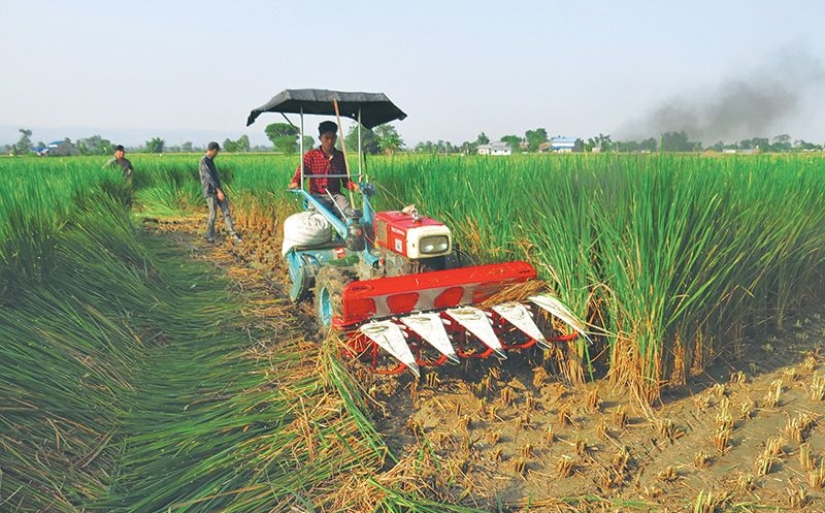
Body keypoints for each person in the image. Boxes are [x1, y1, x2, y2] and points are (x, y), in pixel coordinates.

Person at [289, 120, 359, 217]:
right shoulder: (311, 156)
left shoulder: (340, 156)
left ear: (336, 138)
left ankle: (343, 232)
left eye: (333, 138)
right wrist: (296, 183)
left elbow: (346, 180)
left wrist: (355, 187)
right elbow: (299, 175)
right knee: (320, 219)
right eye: (327, 138)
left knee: (349, 214)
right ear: (320, 138)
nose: (330, 141)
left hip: (336, 195)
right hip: (318, 196)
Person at [199, 142, 241, 243]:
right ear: (213, 150)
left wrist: (220, 190)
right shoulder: (203, 162)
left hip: (218, 190)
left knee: (226, 212)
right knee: (213, 214)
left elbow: (215, 177)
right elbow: (209, 178)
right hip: (210, 191)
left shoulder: (211, 161)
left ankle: (233, 234)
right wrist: (218, 191)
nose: (217, 154)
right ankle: (210, 236)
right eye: (217, 151)